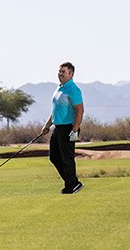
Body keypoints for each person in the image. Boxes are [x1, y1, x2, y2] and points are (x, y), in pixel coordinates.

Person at [40, 61, 84, 194]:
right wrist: (47, 125)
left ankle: (71, 185)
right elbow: (55, 110)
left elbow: (80, 111)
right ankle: (73, 182)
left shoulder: (73, 89)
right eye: (59, 71)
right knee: (54, 157)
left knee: (67, 158)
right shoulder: (59, 88)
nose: (60, 74)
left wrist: (74, 130)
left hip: (69, 128)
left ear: (71, 73)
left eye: (63, 72)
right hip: (58, 127)